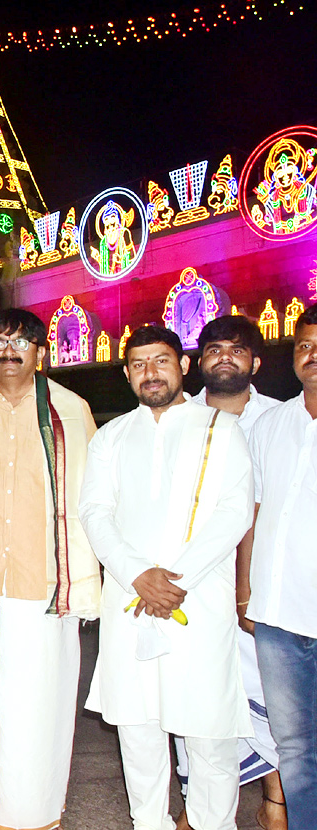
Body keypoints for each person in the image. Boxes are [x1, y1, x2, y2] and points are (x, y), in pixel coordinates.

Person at [80, 325, 254, 830]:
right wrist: (138, 576)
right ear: (128, 373)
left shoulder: (220, 428)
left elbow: (234, 511)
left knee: (208, 735)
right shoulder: (111, 436)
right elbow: (95, 512)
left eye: (160, 361)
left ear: (182, 366)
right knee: (138, 732)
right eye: (138, 364)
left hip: (198, 601)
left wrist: (175, 581)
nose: (149, 373)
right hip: (130, 600)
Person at [0, 308, 100, 830]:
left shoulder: (71, 411)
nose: (7, 353)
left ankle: (32, 810)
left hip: (47, 581)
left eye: (20, 343)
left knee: (39, 699)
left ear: (40, 351)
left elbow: (95, 498)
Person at [178, 316, 285, 830]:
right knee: (194, 691)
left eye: (237, 350)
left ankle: (275, 801)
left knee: (267, 688)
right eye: (214, 349)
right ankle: (197, 806)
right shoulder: (178, 417)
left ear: (255, 362)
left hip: (264, 577)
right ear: (200, 363)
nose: (225, 357)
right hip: (192, 578)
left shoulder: (281, 419)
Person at [246, 303, 317, 829]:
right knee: (293, 747)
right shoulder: (272, 423)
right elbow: (253, 512)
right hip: (276, 617)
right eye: (303, 346)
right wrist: (246, 592)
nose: (311, 356)